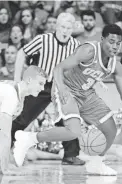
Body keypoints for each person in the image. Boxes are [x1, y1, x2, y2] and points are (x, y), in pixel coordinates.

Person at [13, 24, 122, 175]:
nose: (114, 46)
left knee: (111, 129)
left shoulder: (116, 66)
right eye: (111, 41)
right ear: (102, 40)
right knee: (73, 131)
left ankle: (96, 164)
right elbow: (59, 68)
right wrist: (61, 88)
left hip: (86, 92)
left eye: (118, 43)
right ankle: (28, 138)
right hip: (66, 87)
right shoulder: (88, 51)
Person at [12, 12, 83, 166]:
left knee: (68, 119)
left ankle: (70, 155)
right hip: (41, 84)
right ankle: (2, 146)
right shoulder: (43, 39)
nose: (65, 31)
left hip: (61, 86)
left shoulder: (75, 45)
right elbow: (21, 53)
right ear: (57, 27)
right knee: (23, 117)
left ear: (72, 30)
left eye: (68, 28)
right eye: (62, 27)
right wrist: (17, 80)